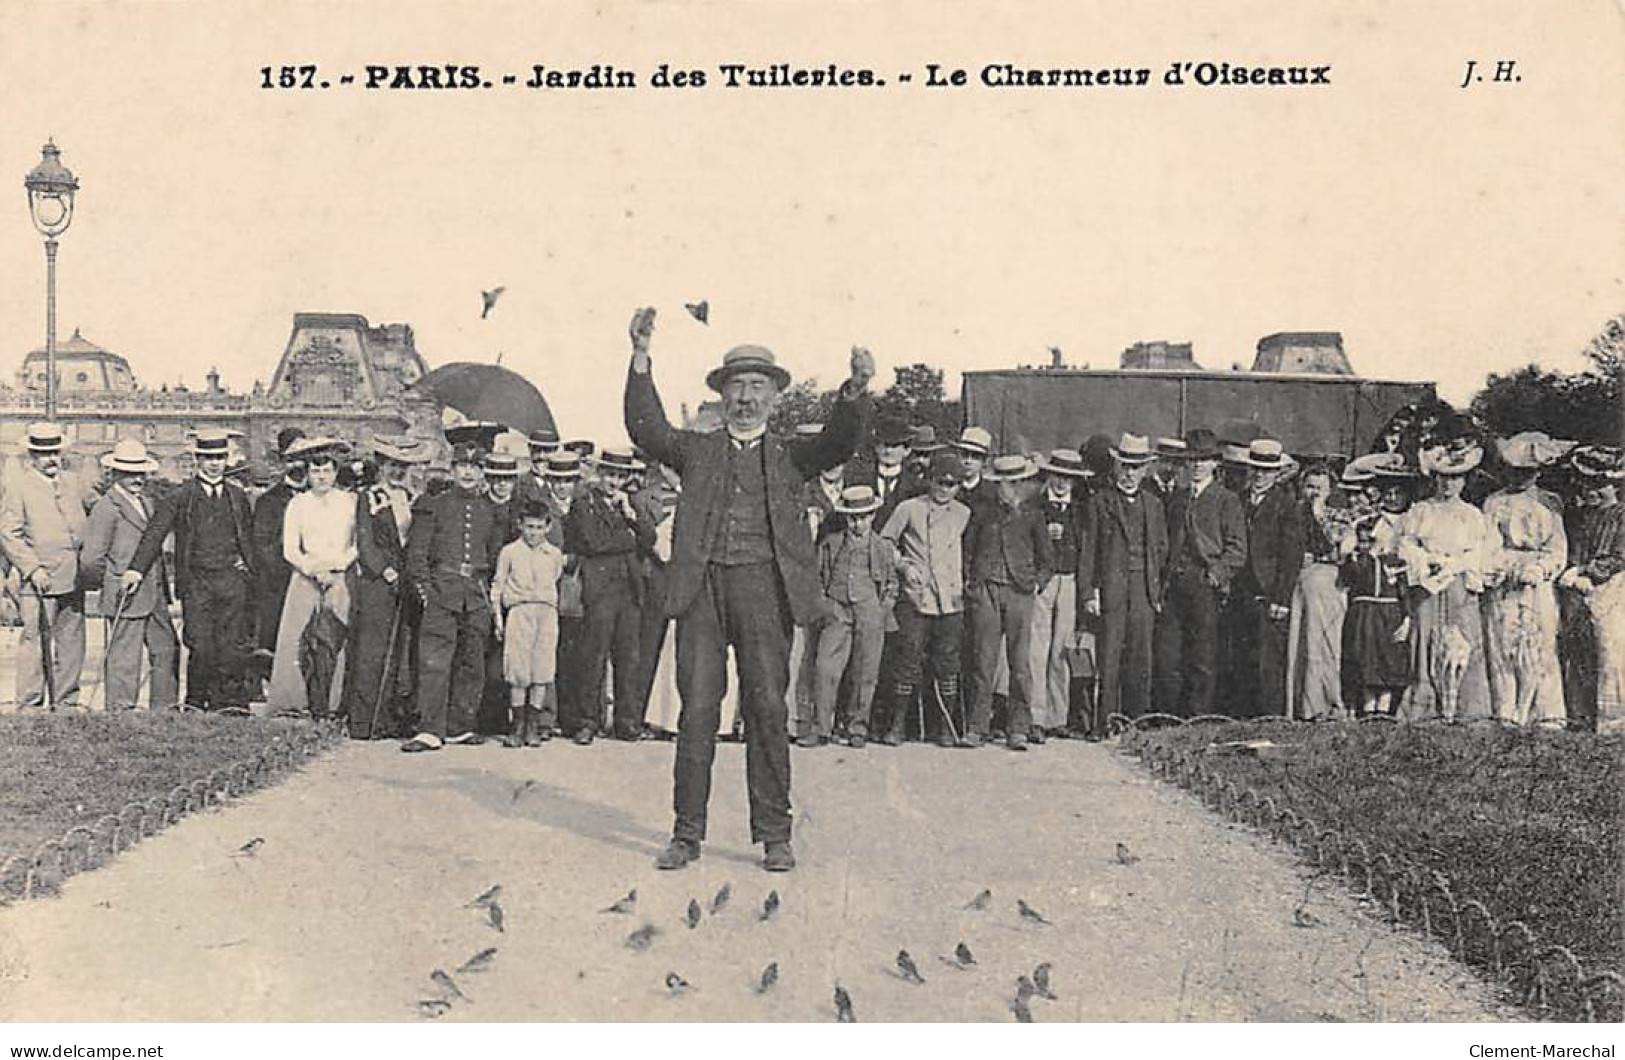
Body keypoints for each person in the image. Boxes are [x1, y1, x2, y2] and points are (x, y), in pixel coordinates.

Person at [624, 306, 871, 873]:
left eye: (758, 387)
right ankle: (686, 834)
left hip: (765, 592)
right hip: (703, 591)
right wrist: (640, 358)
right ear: (723, 394)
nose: (746, 398)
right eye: (737, 387)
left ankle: (775, 835)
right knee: (697, 713)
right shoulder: (698, 450)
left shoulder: (790, 455)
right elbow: (648, 429)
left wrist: (856, 390)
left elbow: (838, 442)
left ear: (775, 398)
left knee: (765, 708)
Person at [123, 428, 257, 714]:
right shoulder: (180, 496)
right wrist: (136, 569)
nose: (214, 463)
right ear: (197, 459)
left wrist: (248, 569)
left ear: (227, 459)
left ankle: (230, 703)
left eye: (219, 457)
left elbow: (248, 536)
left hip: (232, 580)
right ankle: (197, 701)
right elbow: (155, 533)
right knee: (200, 643)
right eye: (208, 457)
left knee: (231, 644)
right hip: (196, 581)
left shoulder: (237, 495)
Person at [400, 442, 510, 752]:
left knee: (471, 662)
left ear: (482, 473)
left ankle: (460, 726)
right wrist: (426, 592)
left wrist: (486, 593)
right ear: (452, 469)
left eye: (475, 467)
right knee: (435, 661)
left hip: (475, 595)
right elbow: (417, 554)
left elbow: (493, 555)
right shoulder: (434, 505)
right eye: (462, 465)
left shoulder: (490, 511)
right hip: (442, 591)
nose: (468, 472)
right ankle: (430, 729)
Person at [1395, 437, 1495, 722]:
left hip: (1459, 582)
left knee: (1463, 638)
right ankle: (1425, 705)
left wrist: (1455, 565)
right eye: (1443, 478)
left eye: (1455, 478)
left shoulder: (1472, 515)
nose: (1448, 484)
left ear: (1464, 481)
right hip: (1427, 582)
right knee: (1425, 638)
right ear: (1435, 479)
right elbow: (1405, 543)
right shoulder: (1421, 510)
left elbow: (1481, 550)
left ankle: (1466, 707)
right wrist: (1426, 561)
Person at [879, 450, 972, 747]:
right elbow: (883, 542)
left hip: (951, 600)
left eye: (953, 484)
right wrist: (904, 565)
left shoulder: (963, 514)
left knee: (948, 663)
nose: (946, 489)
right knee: (907, 660)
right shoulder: (909, 508)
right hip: (917, 598)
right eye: (941, 482)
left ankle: (945, 727)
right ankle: (897, 726)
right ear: (930, 480)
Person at [1479, 432, 1572, 727]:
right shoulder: (1494, 502)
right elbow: (1488, 544)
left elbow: (1558, 548)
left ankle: (1546, 711)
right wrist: (1498, 566)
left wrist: (1541, 568)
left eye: (1526, 472)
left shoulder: (1549, 502)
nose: (1519, 477)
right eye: (1514, 471)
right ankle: (1506, 708)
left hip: (1536, 580)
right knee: (1503, 641)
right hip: (1505, 575)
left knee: (1539, 643)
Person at [1153, 428, 1247, 719]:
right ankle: (1171, 715)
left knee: (1202, 656)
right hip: (1174, 585)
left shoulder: (1226, 500)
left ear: (1215, 463)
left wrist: (1215, 576)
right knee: (1169, 654)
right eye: (1192, 460)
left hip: (1204, 586)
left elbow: (1237, 550)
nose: (1196, 465)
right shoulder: (1178, 497)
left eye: (1203, 460)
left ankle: (1198, 717)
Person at [564, 447, 654, 744]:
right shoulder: (583, 502)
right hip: (599, 589)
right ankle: (588, 721)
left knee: (628, 658)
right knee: (593, 656)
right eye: (610, 475)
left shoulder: (628, 505)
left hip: (629, 590)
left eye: (620, 476)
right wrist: (628, 539)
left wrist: (630, 516)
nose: (614, 482)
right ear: (599, 475)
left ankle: (626, 722)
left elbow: (649, 538)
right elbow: (592, 541)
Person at [963, 453, 1053, 750]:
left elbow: (1047, 561)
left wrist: (1035, 585)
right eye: (1006, 483)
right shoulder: (982, 512)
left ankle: (1018, 728)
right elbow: (967, 550)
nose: (1012, 489)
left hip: (1020, 592)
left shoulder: (1034, 515)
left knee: (1020, 663)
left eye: (1017, 483)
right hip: (986, 590)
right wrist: (972, 585)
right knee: (983, 661)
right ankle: (977, 727)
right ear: (997, 484)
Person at [1077, 434, 1168, 725]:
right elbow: (1089, 551)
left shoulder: (1154, 505)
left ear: (1145, 470)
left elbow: (1162, 548)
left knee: (1141, 657)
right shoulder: (1100, 502)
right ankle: (1105, 721)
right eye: (1125, 467)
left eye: (1136, 468)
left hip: (1143, 589)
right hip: (1111, 587)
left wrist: (1156, 588)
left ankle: (1136, 722)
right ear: (1116, 466)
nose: (1130, 474)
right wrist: (1089, 592)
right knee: (1109, 654)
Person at [81, 440, 178, 711]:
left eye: (141, 472)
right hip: (126, 592)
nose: (137, 478)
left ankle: (165, 709)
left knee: (166, 648)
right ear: (114, 474)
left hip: (155, 591)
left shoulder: (147, 502)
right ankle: (121, 710)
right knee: (124, 655)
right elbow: (91, 559)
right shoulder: (106, 508)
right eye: (129, 472)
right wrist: (111, 581)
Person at [346, 434, 430, 739]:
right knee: (372, 650)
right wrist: (386, 571)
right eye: (393, 465)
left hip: (405, 582)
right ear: (381, 465)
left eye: (402, 466)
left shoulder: (411, 497)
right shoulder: (369, 496)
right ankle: (364, 721)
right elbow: (365, 543)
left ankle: (390, 717)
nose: (397, 471)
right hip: (377, 583)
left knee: (400, 651)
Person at [0, 423, 88, 710]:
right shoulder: (18, 486)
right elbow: (8, 534)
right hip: (38, 579)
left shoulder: (73, 481)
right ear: (32, 456)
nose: (51, 458)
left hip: (73, 577)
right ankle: (30, 705)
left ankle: (67, 703)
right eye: (44, 453)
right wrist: (32, 569)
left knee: (71, 642)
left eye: (55, 452)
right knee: (34, 641)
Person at [267, 439, 357, 719]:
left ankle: (333, 703)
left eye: (327, 471)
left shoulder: (349, 503)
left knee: (336, 638)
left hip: (339, 577)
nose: (322, 478)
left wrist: (337, 566)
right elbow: (290, 548)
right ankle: (294, 702)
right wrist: (313, 569)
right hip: (306, 577)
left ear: (335, 472)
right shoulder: (298, 504)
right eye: (316, 472)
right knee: (298, 640)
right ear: (307, 474)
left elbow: (357, 542)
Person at [806, 485, 897, 748]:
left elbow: (892, 583)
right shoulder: (831, 543)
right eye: (854, 517)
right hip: (837, 609)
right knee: (825, 668)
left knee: (865, 671)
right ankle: (822, 727)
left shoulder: (882, 547)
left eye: (865, 516)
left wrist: (882, 609)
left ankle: (858, 727)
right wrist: (825, 605)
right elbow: (818, 577)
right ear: (846, 518)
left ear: (873, 516)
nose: (859, 523)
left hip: (869, 610)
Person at [1230, 438, 1306, 718]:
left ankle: (1269, 717)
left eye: (1267, 471)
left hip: (1269, 591)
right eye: (1256, 470)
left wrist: (1281, 598)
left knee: (1268, 658)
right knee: (1240, 654)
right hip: (1240, 588)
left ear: (1276, 474)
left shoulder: (1287, 506)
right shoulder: (1236, 499)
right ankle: (1240, 715)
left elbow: (1291, 556)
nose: (1260, 476)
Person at [1558, 445, 1625, 733]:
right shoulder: (1579, 515)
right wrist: (1572, 571)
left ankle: (1612, 720)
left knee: (1610, 650)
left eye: (1599, 485)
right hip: (1577, 588)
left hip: (1613, 587)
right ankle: (1580, 714)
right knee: (1577, 648)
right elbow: (1570, 549)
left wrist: (1587, 570)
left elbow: (1620, 556)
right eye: (1588, 484)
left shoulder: (1621, 515)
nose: (1591, 491)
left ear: (1615, 485)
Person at [1025, 450, 1091, 737]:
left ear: (1075, 481)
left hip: (1070, 580)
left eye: (1068, 477)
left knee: (1061, 650)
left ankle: (1057, 717)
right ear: (1048, 475)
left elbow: (1088, 549)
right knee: (1036, 649)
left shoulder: (1081, 509)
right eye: (1058, 475)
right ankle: (1035, 717)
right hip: (1044, 581)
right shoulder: (1034, 507)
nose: (1062, 482)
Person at [492, 502, 567, 747]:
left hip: (545, 612)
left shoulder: (554, 554)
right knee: (518, 672)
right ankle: (517, 727)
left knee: (541, 671)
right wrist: (498, 619)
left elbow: (555, 580)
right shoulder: (510, 552)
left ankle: (533, 726)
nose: (533, 532)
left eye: (538, 527)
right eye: (529, 527)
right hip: (519, 612)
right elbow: (498, 586)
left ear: (548, 527)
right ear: (520, 526)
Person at [1286, 462, 1350, 720]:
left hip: (1327, 583)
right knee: (1300, 642)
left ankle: (1325, 702)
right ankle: (1301, 705)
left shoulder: (1338, 515)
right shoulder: (1293, 512)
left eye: (1320, 488)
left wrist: (1320, 512)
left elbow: (1341, 552)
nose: (1314, 492)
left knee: (1324, 642)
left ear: (1331, 490)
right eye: (1310, 486)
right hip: (1301, 583)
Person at [1338, 515, 1410, 717]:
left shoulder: (1395, 562)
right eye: (1362, 541)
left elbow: (1404, 592)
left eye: (1371, 541)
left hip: (1389, 616)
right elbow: (1347, 580)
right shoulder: (1357, 562)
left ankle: (1384, 708)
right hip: (1365, 617)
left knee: (1388, 660)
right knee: (1366, 660)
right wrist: (1351, 557)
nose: (1366, 546)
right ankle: (1368, 708)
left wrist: (1406, 618)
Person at [250, 428, 307, 681]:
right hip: (280, 584)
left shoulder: (320, 498)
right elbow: (264, 547)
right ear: (283, 461)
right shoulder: (269, 501)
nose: (298, 465)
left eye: (302, 458)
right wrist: (293, 570)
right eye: (292, 458)